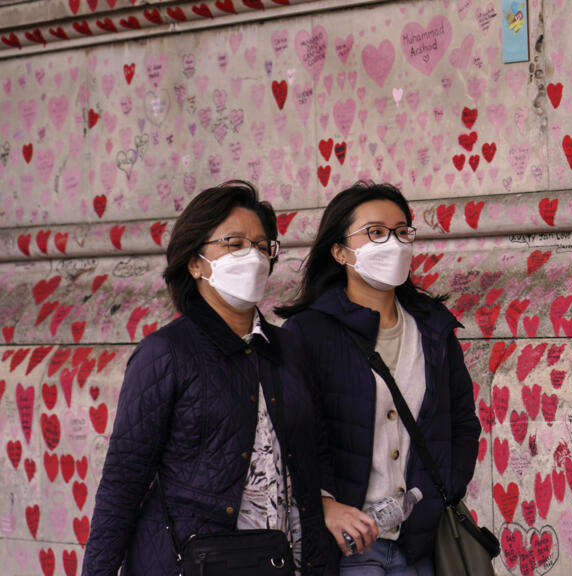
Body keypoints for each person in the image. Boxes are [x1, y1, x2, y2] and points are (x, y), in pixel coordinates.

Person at [83, 181, 327, 575]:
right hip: (195, 562)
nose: (253, 256)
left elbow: (313, 460)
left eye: (262, 246)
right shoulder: (166, 353)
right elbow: (123, 482)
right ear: (195, 263)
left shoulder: (288, 349)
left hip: (286, 561)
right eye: (234, 244)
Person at [276, 181, 482, 575]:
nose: (393, 243)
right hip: (349, 548)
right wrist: (324, 504)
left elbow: (462, 422)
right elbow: (291, 435)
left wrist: (442, 493)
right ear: (340, 251)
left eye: (402, 232)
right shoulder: (307, 333)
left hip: (423, 545)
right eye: (375, 232)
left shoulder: (433, 329)